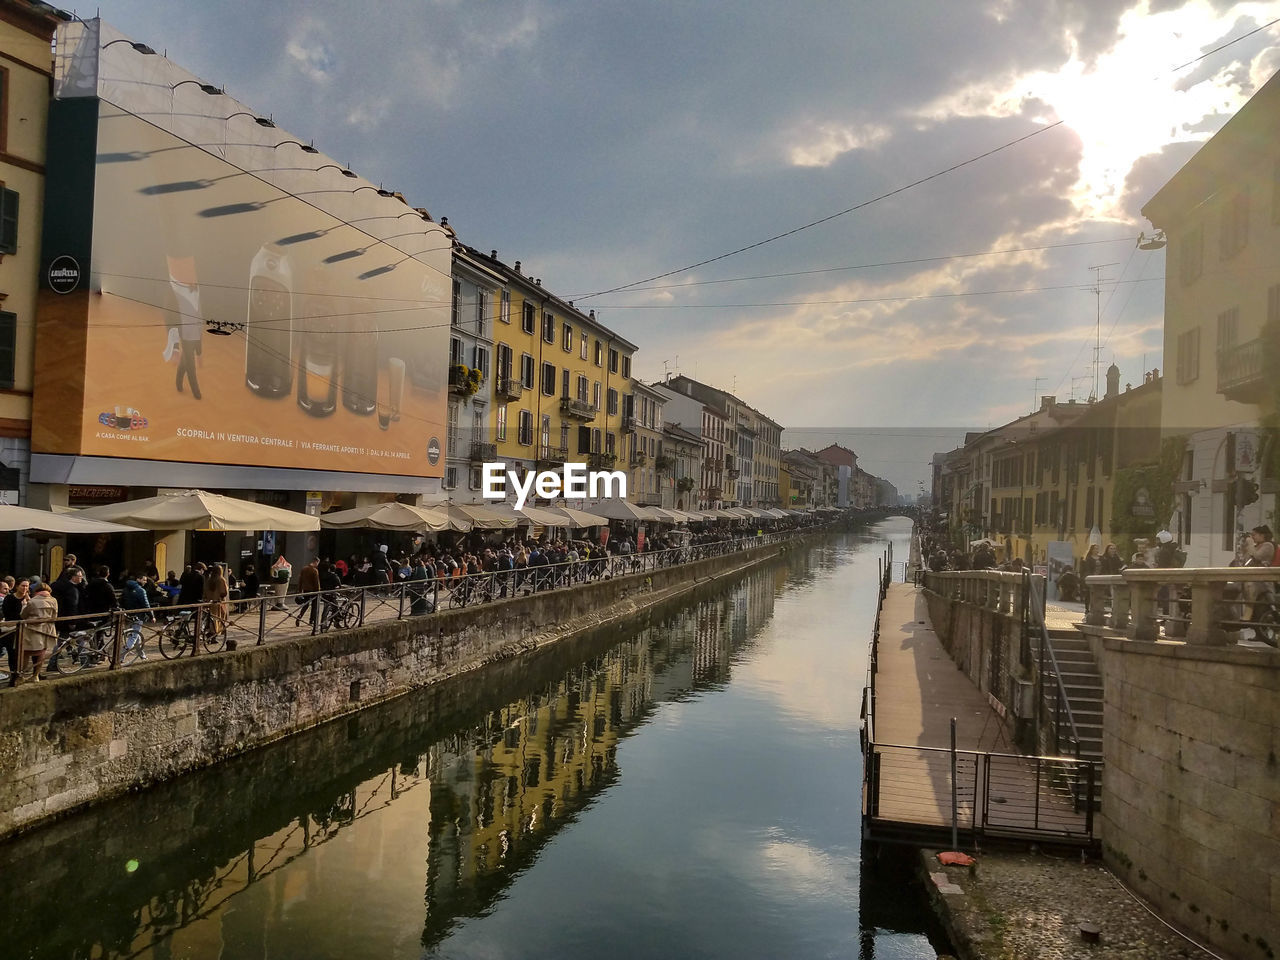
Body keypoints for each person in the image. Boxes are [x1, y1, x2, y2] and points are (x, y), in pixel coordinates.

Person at [19, 579, 58, 683]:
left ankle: (21, 675)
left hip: (32, 630)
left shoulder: (32, 601)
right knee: (41, 653)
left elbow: (23, 615)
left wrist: (24, 605)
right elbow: (55, 616)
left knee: (26, 653)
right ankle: (35, 676)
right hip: (47, 631)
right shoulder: (54, 600)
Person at [2, 578, 28, 686]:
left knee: (22, 653)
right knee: (12, 653)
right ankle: (13, 675)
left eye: (27, 586)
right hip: (11, 629)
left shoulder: (28, 598)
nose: (25, 588)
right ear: (17, 586)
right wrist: (23, 606)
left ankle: (19, 674)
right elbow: (7, 613)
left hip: (24, 630)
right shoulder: (9, 598)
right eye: (23, 586)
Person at [203, 563, 229, 638]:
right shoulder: (221, 579)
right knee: (219, 619)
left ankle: (211, 633)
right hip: (218, 602)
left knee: (211, 619)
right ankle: (215, 634)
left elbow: (205, 591)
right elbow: (224, 592)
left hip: (210, 602)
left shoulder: (209, 580)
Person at [294, 558, 321, 627]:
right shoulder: (315, 571)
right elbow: (316, 582)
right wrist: (318, 591)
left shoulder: (304, 569)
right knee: (314, 606)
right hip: (313, 591)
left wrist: (299, 590)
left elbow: (300, 579)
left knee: (306, 604)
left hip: (305, 589)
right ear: (316, 562)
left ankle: (300, 616)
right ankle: (312, 620)